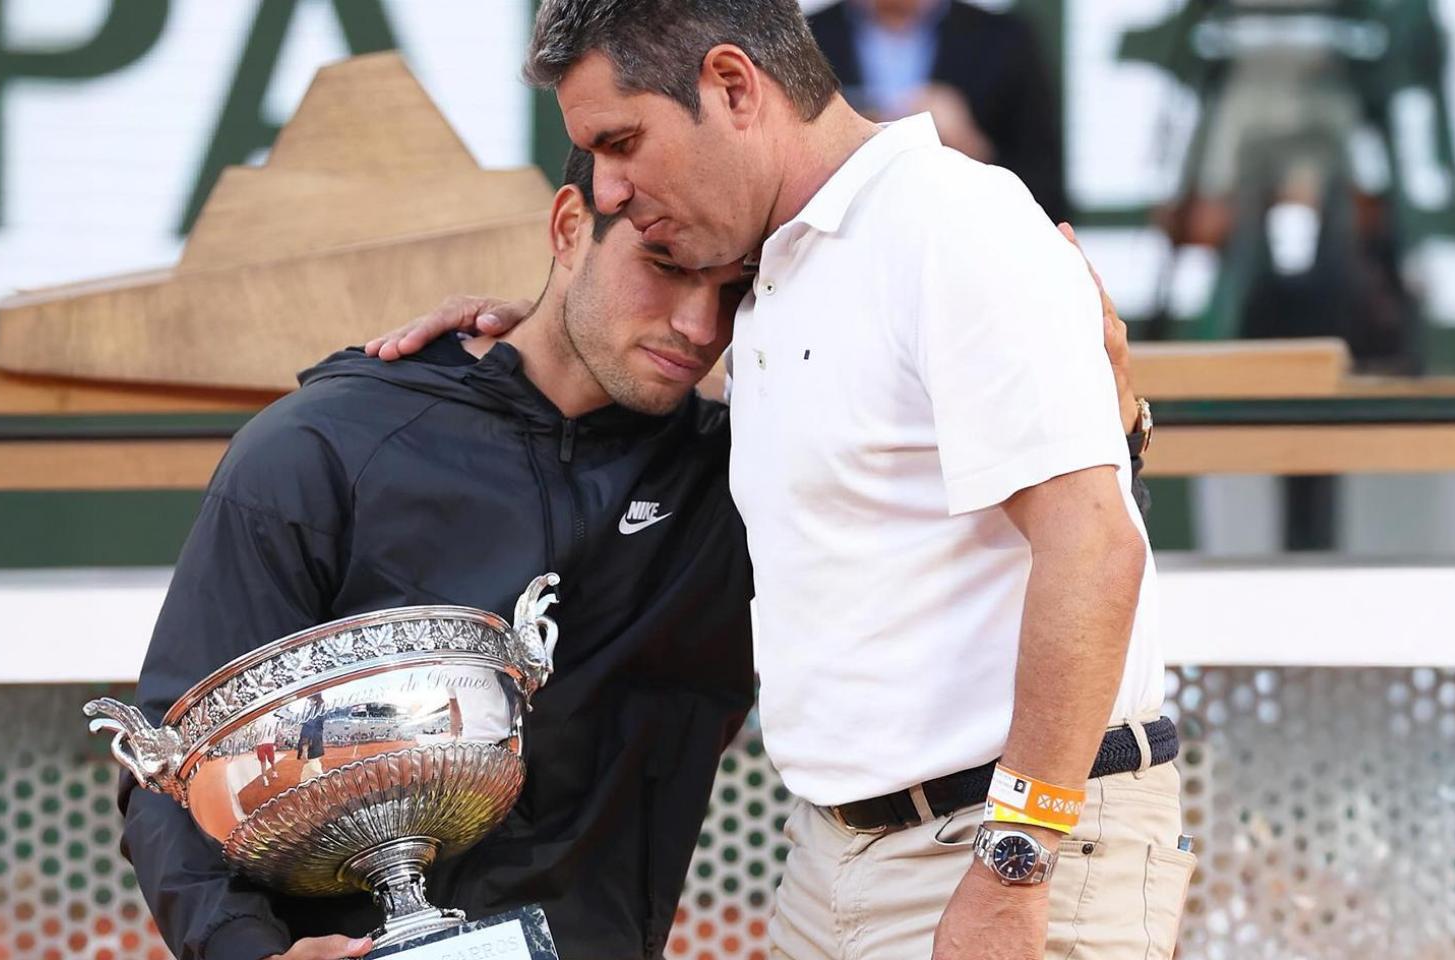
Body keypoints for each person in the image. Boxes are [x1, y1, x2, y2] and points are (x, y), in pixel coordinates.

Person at [383, 2, 1187, 957]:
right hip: (832, 854)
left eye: (622, 140)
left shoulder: (952, 224)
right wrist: (550, 330)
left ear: (732, 86)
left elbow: (1096, 550)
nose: (608, 186)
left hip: (1004, 845)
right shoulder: (777, 266)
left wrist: (1014, 867)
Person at [120, 150, 757, 960]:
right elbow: (170, 766)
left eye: (736, 289)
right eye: (663, 266)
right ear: (569, 228)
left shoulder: (739, 480)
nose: (701, 328)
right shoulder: (324, 449)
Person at [806, 0, 1070, 222]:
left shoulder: (1005, 41)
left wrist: (969, 146)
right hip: (845, 248)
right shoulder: (808, 39)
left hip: (966, 246)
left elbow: (1047, 193)